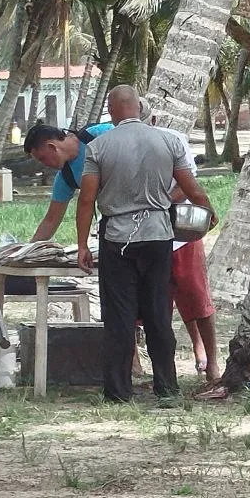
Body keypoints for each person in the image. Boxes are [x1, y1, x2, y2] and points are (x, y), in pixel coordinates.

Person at [75, 85, 217, 403]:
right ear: (139, 107)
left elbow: (86, 200)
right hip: (157, 234)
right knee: (158, 313)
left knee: (120, 315)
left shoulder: (99, 147)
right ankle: (166, 388)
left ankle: (118, 391)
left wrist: (82, 244)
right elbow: (191, 187)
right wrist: (209, 213)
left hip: (116, 238)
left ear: (111, 111)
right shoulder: (167, 141)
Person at [136, 97, 220, 383]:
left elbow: (188, 187)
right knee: (145, 303)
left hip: (178, 234)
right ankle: (143, 366)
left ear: (153, 122)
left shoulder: (173, 141)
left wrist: (155, 204)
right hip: (140, 236)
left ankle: (210, 360)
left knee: (194, 295)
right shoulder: (119, 145)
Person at [25, 122, 114, 242]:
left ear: (52, 146)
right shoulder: (66, 177)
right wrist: (26, 250)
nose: (44, 165)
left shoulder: (98, 134)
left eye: (42, 158)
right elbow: (51, 221)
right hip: (113, 223)